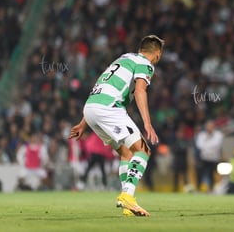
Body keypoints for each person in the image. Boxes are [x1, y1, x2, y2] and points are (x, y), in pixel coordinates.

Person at [69, 35, 164, 217]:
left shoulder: (124, 58)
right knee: (143, 150)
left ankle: (127, 204)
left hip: (90, 107)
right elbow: (140, 90)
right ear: (157, 54)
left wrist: (84, 122)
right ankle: (127, 195)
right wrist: (147, 122)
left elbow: (102, 85)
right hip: (109, 108)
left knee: (126, 153)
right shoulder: (145, 64)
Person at [195, 120, 223, 192]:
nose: (209, 128)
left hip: (213, 158)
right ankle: (198, 189)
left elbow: (217, 145)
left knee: (212, 174)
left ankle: (211, 189)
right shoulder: (201, 135)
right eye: (208, 126)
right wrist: (209, 148)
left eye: (211, 126)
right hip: (203, 158)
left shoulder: (218, 134)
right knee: (200, 173)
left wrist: (206, 147)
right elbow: (199, 145)